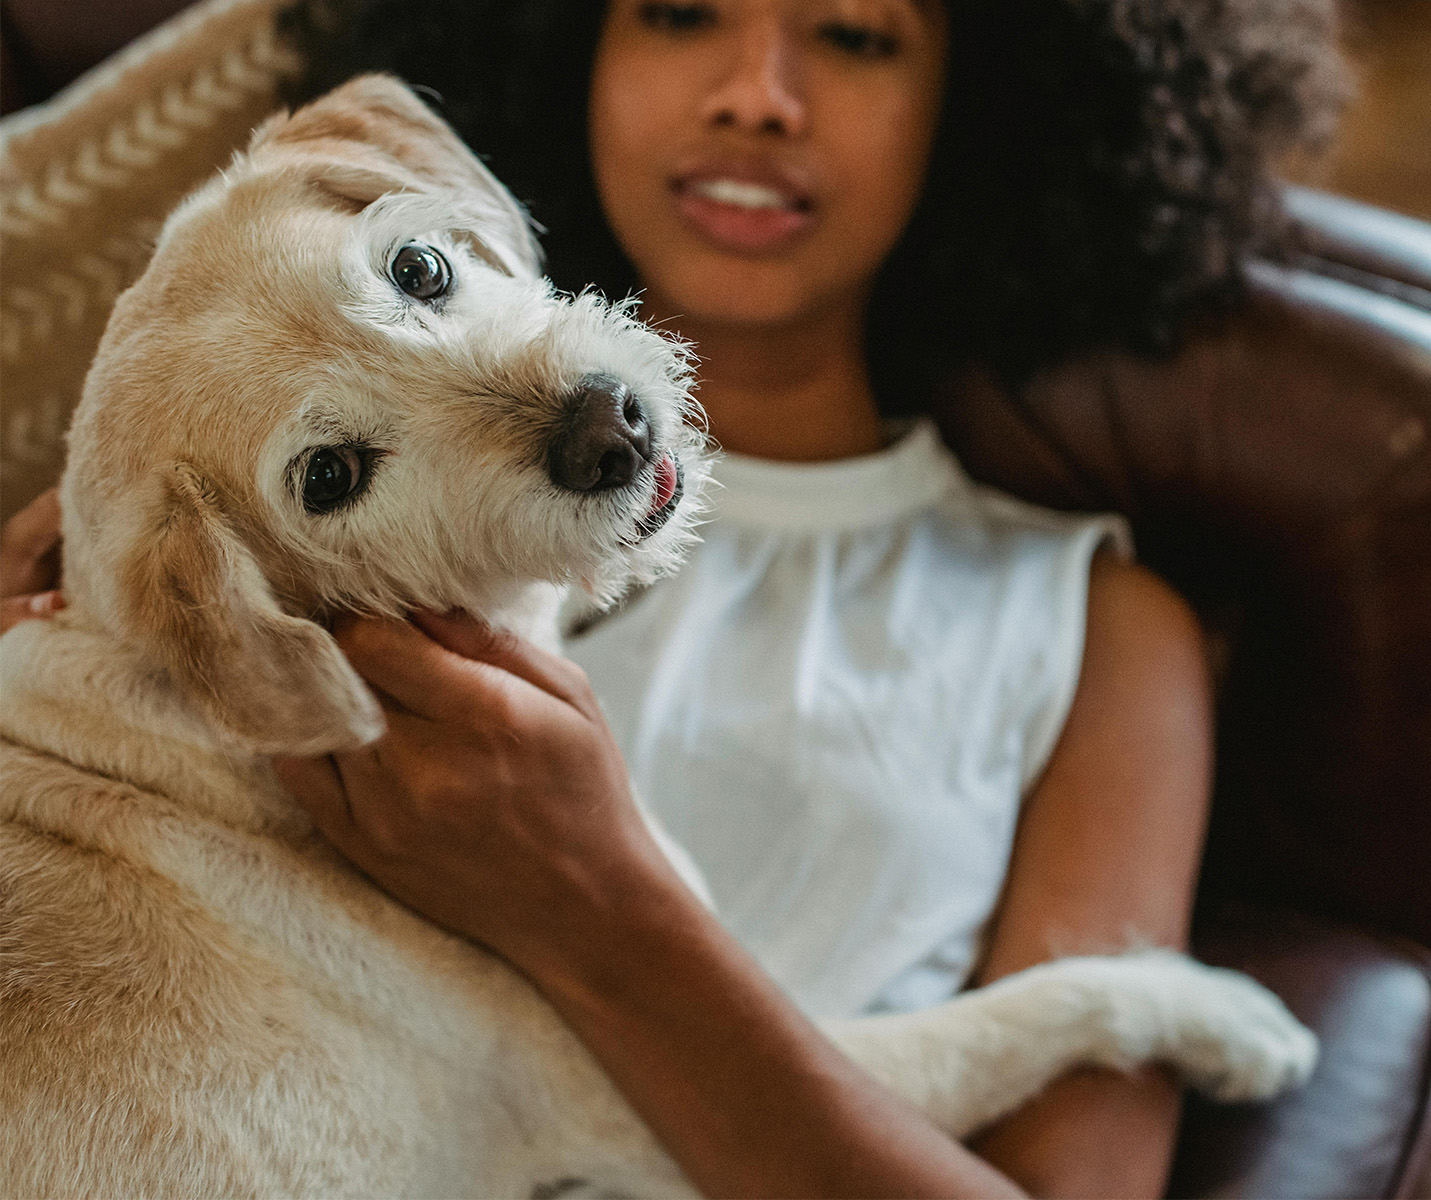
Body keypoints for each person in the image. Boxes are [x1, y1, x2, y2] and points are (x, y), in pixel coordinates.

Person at [0, 0, 1345, 1194]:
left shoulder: (1086, 621)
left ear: (981, 93)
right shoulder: (266, 578)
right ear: (572, 47)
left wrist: (594, 900)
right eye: (681, 12)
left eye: (856, 33)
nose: (757, 89)